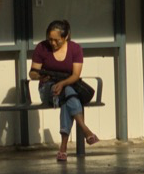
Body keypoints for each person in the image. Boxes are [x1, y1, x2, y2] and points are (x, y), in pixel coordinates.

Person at [29, 20, 99, 162]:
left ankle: (63, 150)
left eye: (57, 40)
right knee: (71, 95)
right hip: (48, 89)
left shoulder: (75, 49)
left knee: (68, 98)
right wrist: (41, 75)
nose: (53, 43)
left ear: (66, 37)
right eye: (50, 39)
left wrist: (62, 83)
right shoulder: (42, 48)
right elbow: (32, 73)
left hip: (68, 87)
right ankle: (85, 130)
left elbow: (75, 75)